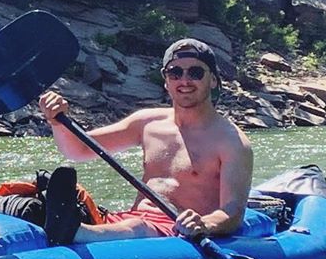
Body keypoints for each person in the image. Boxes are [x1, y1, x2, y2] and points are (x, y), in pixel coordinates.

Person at [36, 37, 253, 246]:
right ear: (166, 80)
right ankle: (70, 229)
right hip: (130, 220)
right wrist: (57, 122)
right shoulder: (147, 123)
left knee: (138, 227)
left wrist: (204, 223)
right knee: (36, 204)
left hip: (177, 233)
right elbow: (79, 150)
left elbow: (231, 212)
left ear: (213, 79)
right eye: (175, 72)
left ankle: (75, 233)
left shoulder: (231, 141)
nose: (184, 80)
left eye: (195, 72)